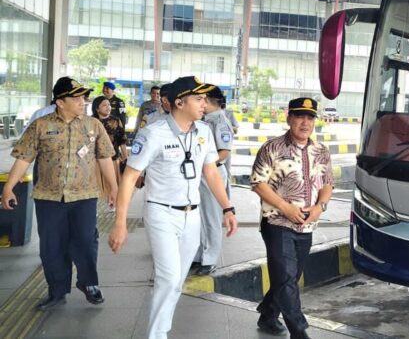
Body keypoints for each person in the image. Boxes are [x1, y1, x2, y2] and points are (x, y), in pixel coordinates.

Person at [108, 76, 238, 339]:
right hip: (161, 213)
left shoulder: (203, 131)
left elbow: (210, 171)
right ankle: (157, 335)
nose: (204, 104)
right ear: (180, 102)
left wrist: (227, 208)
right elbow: (130, 177)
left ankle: (161, 327)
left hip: (193, 215)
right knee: (168, 279)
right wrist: (120, 222)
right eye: (199, 99)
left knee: (176, 281)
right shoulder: (153, 133)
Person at [1, 77, 119, 310]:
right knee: (52, 246)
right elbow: (24, 157)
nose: (82, 102)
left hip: (84, 195)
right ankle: (57, 291)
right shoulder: (41, 125)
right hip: (49, 197)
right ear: (60, 101)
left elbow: (105, 157)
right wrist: (8, 187)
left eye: (83, 97)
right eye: (76, 98)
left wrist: (114, 188)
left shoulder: (93, 125)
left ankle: (89, 284)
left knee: (86, 241)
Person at [251, 97, 334, 339]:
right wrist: (285, 208)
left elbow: (328, 184)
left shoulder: (321, 152)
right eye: (299, 116)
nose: (305, 122)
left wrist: (320, 207)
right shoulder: (272, 148)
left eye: (310, 117)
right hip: (277, 223)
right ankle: (299, 331)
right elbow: (258, 183)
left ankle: (268, 314)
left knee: (288, 276)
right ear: (289, 118)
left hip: (307, 226)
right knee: (286, 277)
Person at [192, 85, 234, 275]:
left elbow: (224, 151)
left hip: (213, 173)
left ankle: (210, 259)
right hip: (200, 173)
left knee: (211, 218)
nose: (200, 103)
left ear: (208, 101)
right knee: (199, 218)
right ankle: (199, 256)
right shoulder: (203, 120)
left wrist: (206, 163)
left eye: (202, 99)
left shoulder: (220, 121)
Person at [92, 97, 128, 197]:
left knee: (114, 186)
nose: (108, 107)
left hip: (113, 158)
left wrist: (125, 155)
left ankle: (112, 206)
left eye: (109, 105)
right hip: (95, 160)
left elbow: (122, 139)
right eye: (104, 105)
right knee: (98, 188)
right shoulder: (91, 122)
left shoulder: (116, 120)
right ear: (97, 108)